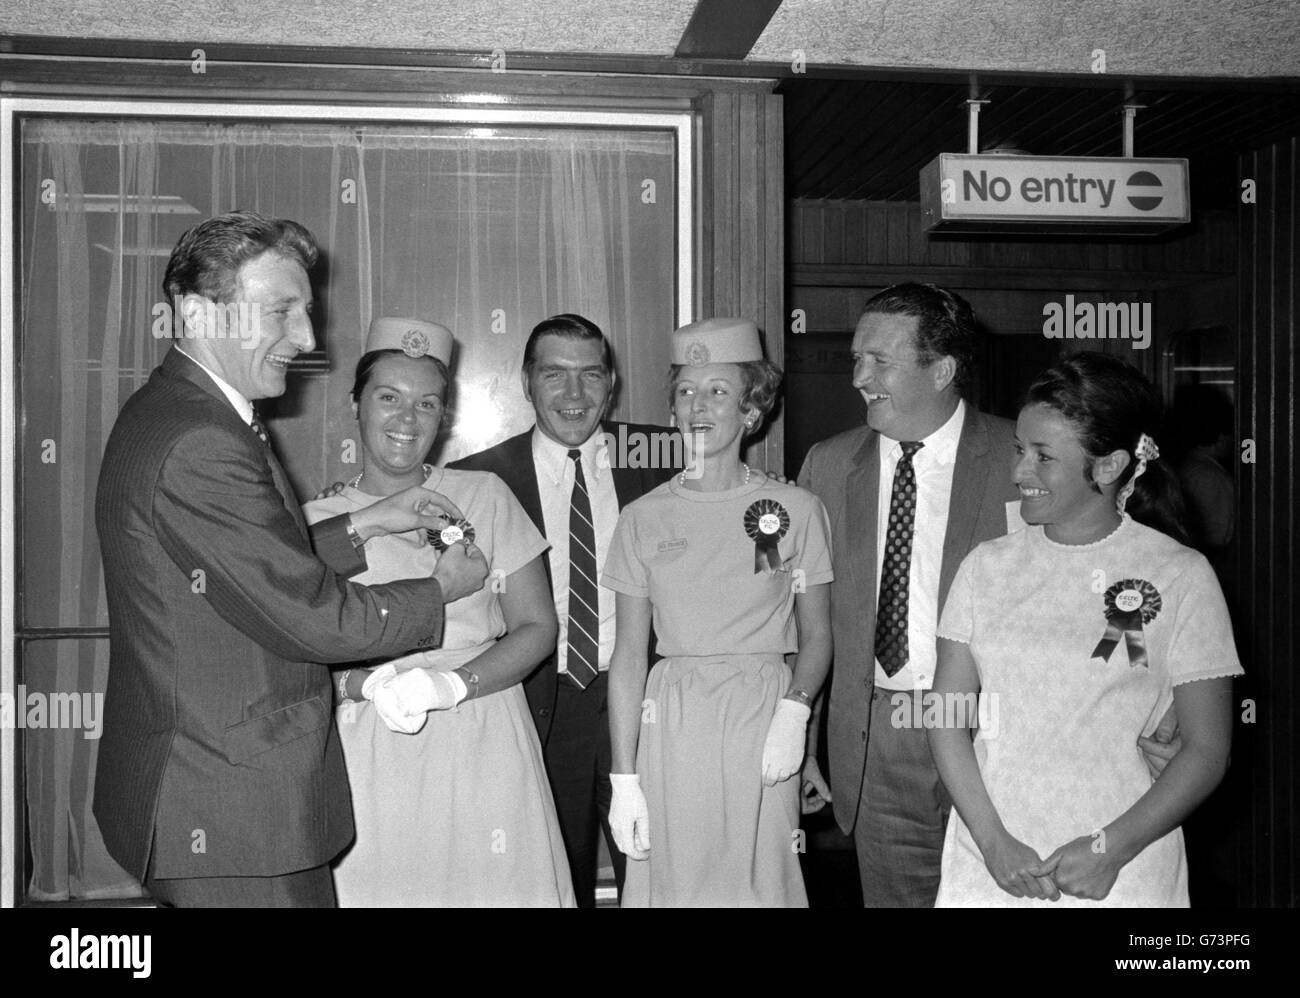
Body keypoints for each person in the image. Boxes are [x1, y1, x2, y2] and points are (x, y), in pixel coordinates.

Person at [93, 211, 488, 908]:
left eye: (306, 313)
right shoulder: (200, 439)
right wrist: (440, 589)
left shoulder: (176, 410)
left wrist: (365, 522)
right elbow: (313, 619)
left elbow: (237, 569)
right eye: (281, 310)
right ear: (196, 312)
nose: (306, 339)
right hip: (232, 807)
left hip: (210, 791)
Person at [928, 352, 1241, 907]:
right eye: (1019, 449)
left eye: (1043, 457)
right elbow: (946, 718)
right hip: (995, 859)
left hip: (1123, 864)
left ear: (1108, 465)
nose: (1019, 471)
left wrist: (1109, 849)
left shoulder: (1180, 574)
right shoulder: (986, 565)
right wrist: (992, 842)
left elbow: (1206, 750)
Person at [303, 317, 573, 907]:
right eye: (389, 398)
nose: (407, 419)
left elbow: (537, 627)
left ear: (444, 416)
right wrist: (361, 684)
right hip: (369, 745)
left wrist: (452, 685)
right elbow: (290, 652)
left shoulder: (485, 495)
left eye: (427, 403)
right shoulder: (317, 524)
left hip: (482, 730)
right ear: (356, 405)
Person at [796, 283, 1019, 907]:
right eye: (856, 359)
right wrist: (807, 741)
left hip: (994, 733)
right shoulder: (828, 466)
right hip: (877, 740)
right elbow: (806, 621)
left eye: (880, 362)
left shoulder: (1022, 461)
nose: (859, 377)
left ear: (942, 370)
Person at [604, 317, 833, 907]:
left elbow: (818, 636)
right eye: (685, 390)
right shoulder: (642, 518)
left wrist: (795, 717)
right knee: (675, 884)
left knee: (759, 886)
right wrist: (623, 777)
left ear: (752, 410)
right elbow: (628, 657)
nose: (697, 406)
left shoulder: (794, 509)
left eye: (718, 391)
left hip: (763, 715)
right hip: (671, 719)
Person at [449, 313, 675, 906]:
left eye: (590, 375)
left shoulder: (666, 455)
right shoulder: (475, 479)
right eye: (555, 375)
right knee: (550, 880)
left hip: (648, 698)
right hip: (536, 704)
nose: (574, 395)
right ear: (526, 382)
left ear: (613, 382)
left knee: (658, 874)